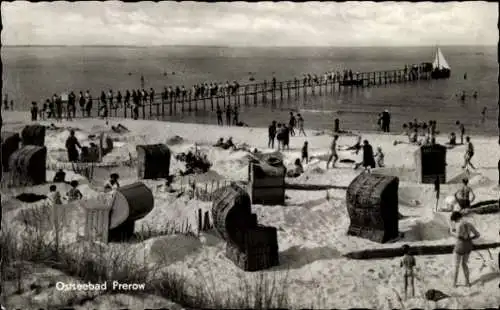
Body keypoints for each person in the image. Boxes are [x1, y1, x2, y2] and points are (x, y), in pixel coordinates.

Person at [449, 211, 481, 287]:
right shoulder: (469, 223)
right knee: (464, 264)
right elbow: (477, 235)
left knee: (456, 265)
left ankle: (454, 284)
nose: (455, 221)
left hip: (460, 246)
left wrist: (451, 232)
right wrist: (470, 238)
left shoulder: (459, 225)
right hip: (468, 246)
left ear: (456, 218)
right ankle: (467, 282)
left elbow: (458, 236)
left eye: (454, 220)